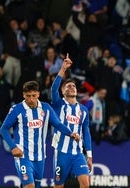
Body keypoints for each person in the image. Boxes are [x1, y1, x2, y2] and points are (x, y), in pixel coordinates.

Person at [0, 80, 80, 188]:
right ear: (23, 95)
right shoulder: (16, 109)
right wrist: (13, 147)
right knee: (30, 186)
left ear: (38, 94)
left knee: (35, 186)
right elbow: (3, 129)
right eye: (28, 96)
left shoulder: (46, 108)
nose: (31, 99)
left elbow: (58, 124)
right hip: (23, 155)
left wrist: (70, 133)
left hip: (40, 157)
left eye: (33, 95)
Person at [51, 54, 92, 188]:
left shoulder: (84, 110)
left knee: (85, 185)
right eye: (67, 86)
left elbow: (86, 132)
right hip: (61, 153)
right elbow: (53, 89)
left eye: (73, 86)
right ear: (62, 92)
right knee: (59, 186)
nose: (71, 87)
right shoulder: (59, 104)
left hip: (78, 153)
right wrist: (63, 69)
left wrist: (89, 155)